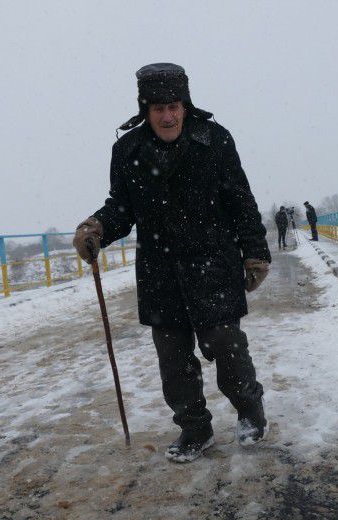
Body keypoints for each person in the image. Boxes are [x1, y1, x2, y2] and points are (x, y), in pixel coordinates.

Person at [73, 63, 271, 463]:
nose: (167, 116)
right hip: (160, 271)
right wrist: (97, 227)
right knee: (173, 360)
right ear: (145, 108)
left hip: (212, 263)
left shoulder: (215, 140)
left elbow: (240, 200)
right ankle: (195, 429)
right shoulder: (127, 150)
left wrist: (255, 252)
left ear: (185, 105)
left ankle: (250, 411)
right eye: (158, 107)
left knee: (226, 346)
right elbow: (121, 207)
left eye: (174, 106)